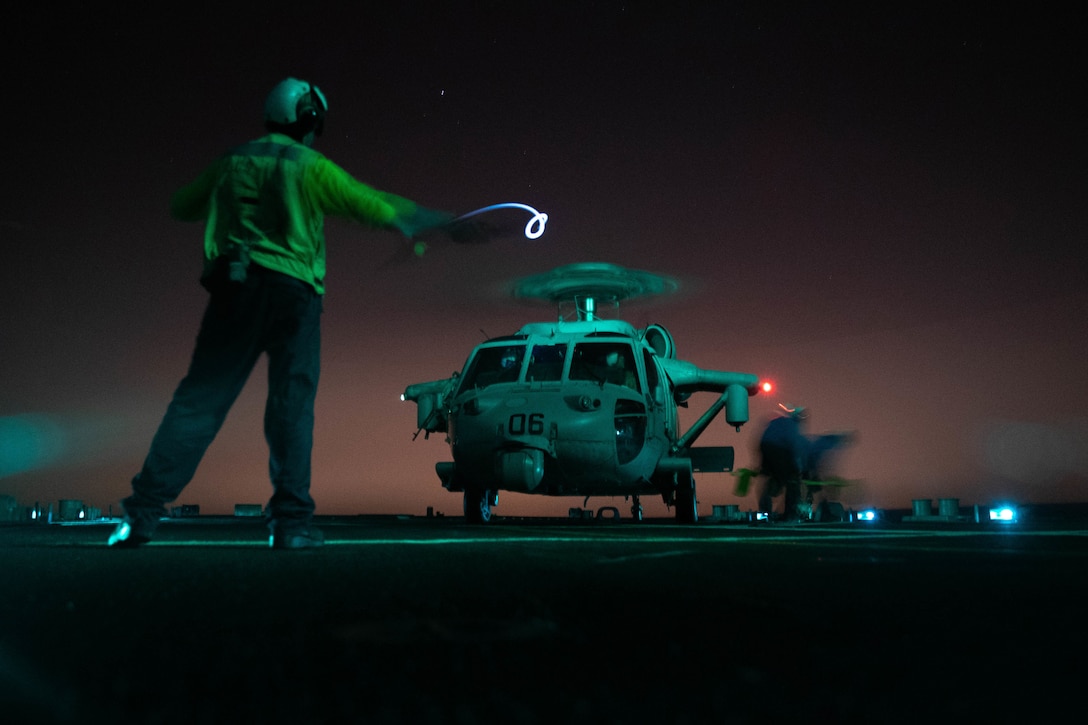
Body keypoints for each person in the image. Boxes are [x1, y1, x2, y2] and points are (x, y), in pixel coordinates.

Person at [109, 77, 453, 549]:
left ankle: (141, 517)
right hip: (294, 297)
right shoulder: (308, 165)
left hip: (235, 293)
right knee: (291, 408)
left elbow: (182, 205)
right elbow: (370, 206)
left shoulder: (232, 160)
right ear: (308, 119)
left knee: (198, 403)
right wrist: (431, 221)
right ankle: (290, 527)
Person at [757, 405, 809, 521]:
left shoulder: (777, 421)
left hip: (764, 447)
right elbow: (794, 446)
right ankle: (790, 514)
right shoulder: (792, 425)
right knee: (792, 479)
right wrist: (799, 467)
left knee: (771, 477)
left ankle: (765, 512)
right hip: (777, 448)